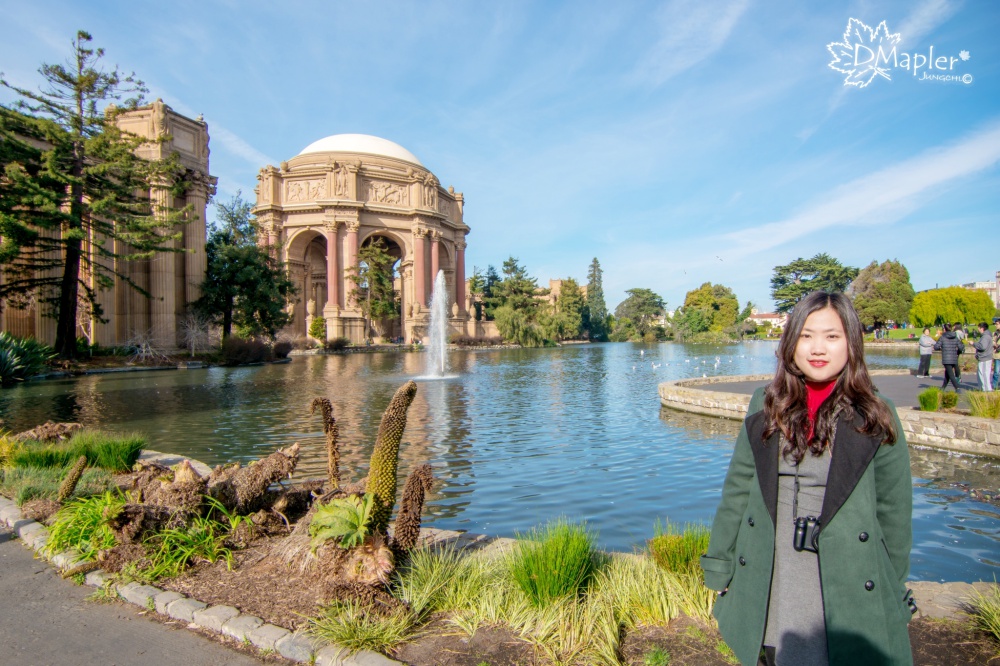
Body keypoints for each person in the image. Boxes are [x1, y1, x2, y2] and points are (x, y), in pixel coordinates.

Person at [701, 292, 913, 666]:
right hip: (773, 568)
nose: (818, 348)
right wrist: (720, 565)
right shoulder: (765, 404)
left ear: (851, 342)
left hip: (845, 572)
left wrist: (891, 590)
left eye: (832, 336)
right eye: (806, 336)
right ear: (791, 343)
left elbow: (894, 512)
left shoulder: (877, 415)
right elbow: (737, 490)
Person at [934, 323, 964, 392]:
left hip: (946, 358)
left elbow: (936, 347)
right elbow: (961, 347)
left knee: (951, 375)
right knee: (947, 374)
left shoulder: (942, 337)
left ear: (944, 329)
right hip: (954, 358)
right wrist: (957, 352)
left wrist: (941, 348)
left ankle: (957, 388)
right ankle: (943, 388)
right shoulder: (955, 337)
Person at [974, 322, 994, 392]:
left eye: (978, 328)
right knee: (982, 374)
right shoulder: (985, 336)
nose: (978, 329)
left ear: (982, 328)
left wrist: (974, 344)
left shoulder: (985, 337)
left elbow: (982, 347)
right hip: (984, 357)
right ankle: (983, 389)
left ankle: (986, 390)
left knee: (984, 374)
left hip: (985, 358)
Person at [993, 319, 1000, 390]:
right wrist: (995, 344)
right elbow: (993, 341)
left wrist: (997, 347)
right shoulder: (996, 333)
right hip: (997, 355)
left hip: (997, 352)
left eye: (997, 324)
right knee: (996, 372)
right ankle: (994, 386)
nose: (995, 325)